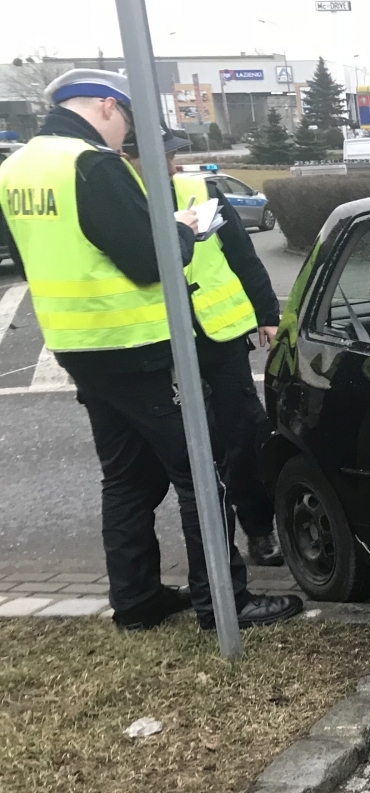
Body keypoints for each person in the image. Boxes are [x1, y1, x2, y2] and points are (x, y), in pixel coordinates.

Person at [0, 69, 301, 631]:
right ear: (107, 108)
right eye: (127, 123)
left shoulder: (15, 169)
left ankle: (136, 601)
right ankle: (224, 604)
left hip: (77, 346)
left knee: (128, 480)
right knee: (201, 474)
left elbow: (24, 256)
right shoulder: (90, 163)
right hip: (138, 345)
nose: (126, 139)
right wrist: (183, 230)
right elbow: (148, 262)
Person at [122, 137, 285, 566]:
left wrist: (268, 312)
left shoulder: (201, 191)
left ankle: (259, 529)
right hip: (161, 346)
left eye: (172, 156)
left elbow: (242, 255)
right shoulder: (117, 201)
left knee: (245, 437)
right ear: (127, 158)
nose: (173, 165)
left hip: (219, 339)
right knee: (189, 450)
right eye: (161, 159)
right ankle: (212, 549)